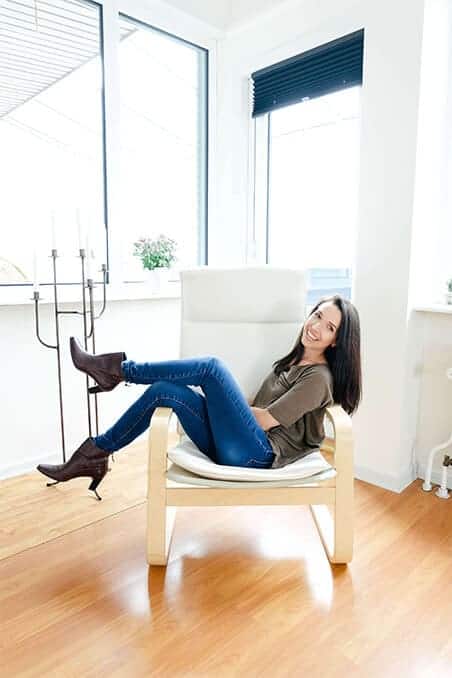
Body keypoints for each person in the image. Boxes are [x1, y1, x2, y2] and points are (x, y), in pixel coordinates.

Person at [37, 295, 362, 500]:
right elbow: (253, 407)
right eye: (318, 315)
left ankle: (117, 370)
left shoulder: (319, 378)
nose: (318, 326)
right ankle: (95, 454)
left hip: (257, 456)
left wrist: (224, 400)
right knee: (165, 391)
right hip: (238, 444)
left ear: (336, 341)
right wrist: (225, 407)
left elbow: (262, 420)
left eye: (330, 327)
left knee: (211, 368)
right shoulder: (291, 362)